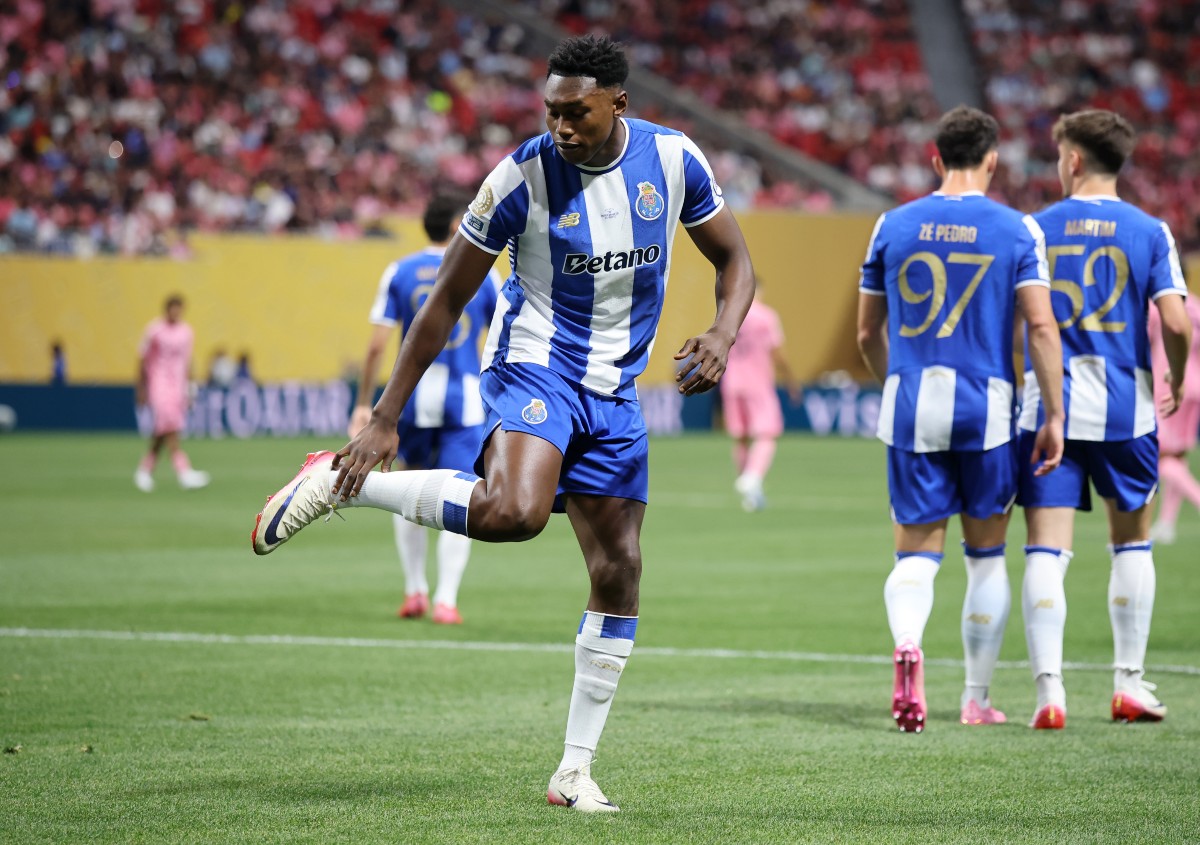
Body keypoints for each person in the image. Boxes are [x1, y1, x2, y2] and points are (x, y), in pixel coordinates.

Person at [250, 35, 755, 811]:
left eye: (574, 111)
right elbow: (445, 299)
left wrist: (723, 334)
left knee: (619, 568)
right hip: (534, 366)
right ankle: (340, 482)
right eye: (549, 110)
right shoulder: (519, 175)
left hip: (615, 391)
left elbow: (735, 260)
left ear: (617, 102)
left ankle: (574, 768)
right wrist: (384, 417)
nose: (558, 125)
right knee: (515, 513)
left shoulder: (675, 162)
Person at [856, 105, 1064, 733]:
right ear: (993, 160)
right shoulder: (1018, 229)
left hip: (912, 400)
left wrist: (895, 381)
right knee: (986, 556)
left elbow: (868, 332)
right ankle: (975, 697)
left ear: (935, 157)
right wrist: (1052, 413)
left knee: (915, 555)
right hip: (987, 410)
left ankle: (908, 644)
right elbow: (1041, 326)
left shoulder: (893, 223)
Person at [1016, 110, 1193, 729]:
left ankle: (1049, 694)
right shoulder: (1151, 231)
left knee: (1045, 549)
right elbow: (1175, 321)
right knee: (1132, 543)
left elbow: (1025, 322)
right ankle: (1128, 685)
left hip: (1047, 411)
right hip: (1127, 410)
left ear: (1072, 160)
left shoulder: (1033, 228)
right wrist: (1172, 371)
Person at [348, 192, 502, 624]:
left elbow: (378, 345)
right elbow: (497, 342)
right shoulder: (483, 271)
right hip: (465, 401)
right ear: (458, 226)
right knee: (465, 492)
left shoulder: (399, 271)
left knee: (406, 489)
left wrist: (365, 404)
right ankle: (446, 600)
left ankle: (414, 590)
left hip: (412, 401)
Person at [719, 285, 799, 511]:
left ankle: (751, 495)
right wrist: (791, 380)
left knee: (741, 438)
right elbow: (778, 352)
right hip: (758, 383)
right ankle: (752, 477)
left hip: (732, 382)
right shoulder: (765, 316)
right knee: (767, 434)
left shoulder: (729, 314)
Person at [135, 294, 210, 492]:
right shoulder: (154, 330)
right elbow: (142, 359)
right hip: (158, 382)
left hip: (177, 385)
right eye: (173, 308)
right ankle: (183, 471)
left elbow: (188, 360)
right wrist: (141, 387)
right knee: (170, 425)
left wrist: (191, 386)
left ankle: (144, 470)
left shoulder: (186, 332)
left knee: (165, 428)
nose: (176, 312)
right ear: (166, 309)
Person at [1148, 292, 1200, 545]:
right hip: (1195, 387)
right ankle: (1166, 523)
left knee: (1161, 458)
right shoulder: (1195, 305)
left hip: (1168, 385)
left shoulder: (1159, 304)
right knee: (1177, 459)